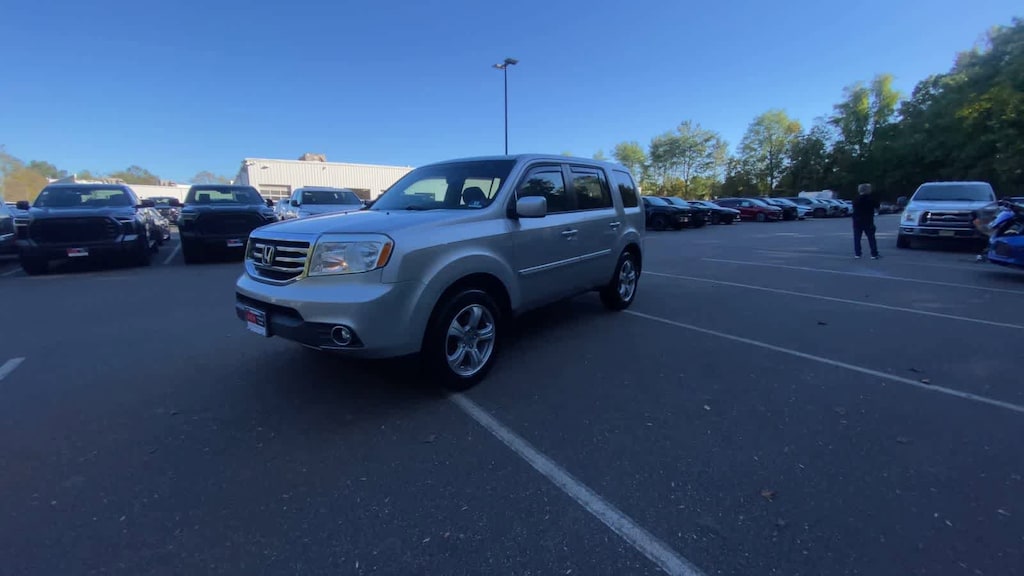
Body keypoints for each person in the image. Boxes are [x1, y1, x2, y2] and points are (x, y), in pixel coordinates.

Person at [852, 183, 880, 259]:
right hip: (868, 220)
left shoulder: (855, 199)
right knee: (871, 238)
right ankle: (874, 254)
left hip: (857, 221)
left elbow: (854, 208)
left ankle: (857, 254)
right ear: (868, 190)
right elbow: (877, 207)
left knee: (857, 238)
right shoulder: (871, 199)